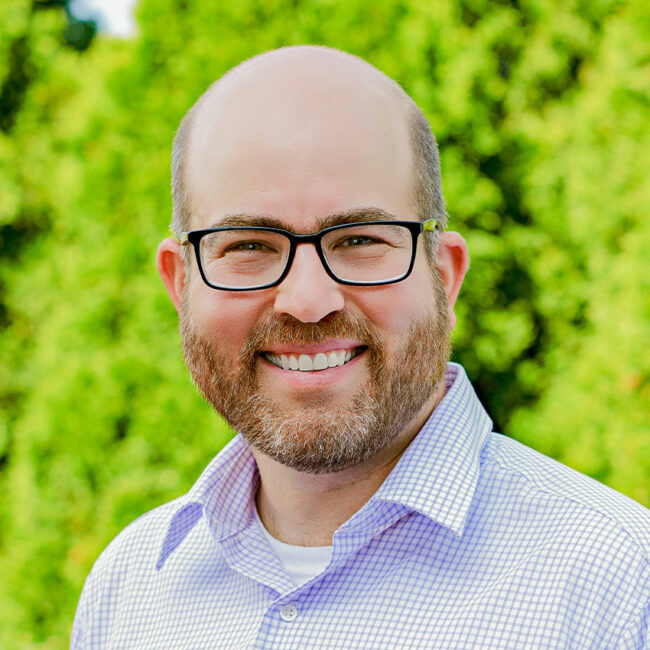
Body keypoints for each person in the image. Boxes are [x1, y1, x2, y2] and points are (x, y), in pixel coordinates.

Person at [71, 46, 649, 649]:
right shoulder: (129, 588)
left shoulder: (619, 588)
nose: (307, 300)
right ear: (180, 284)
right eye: (248, 246)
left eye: (359, 239)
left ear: (444, 277)